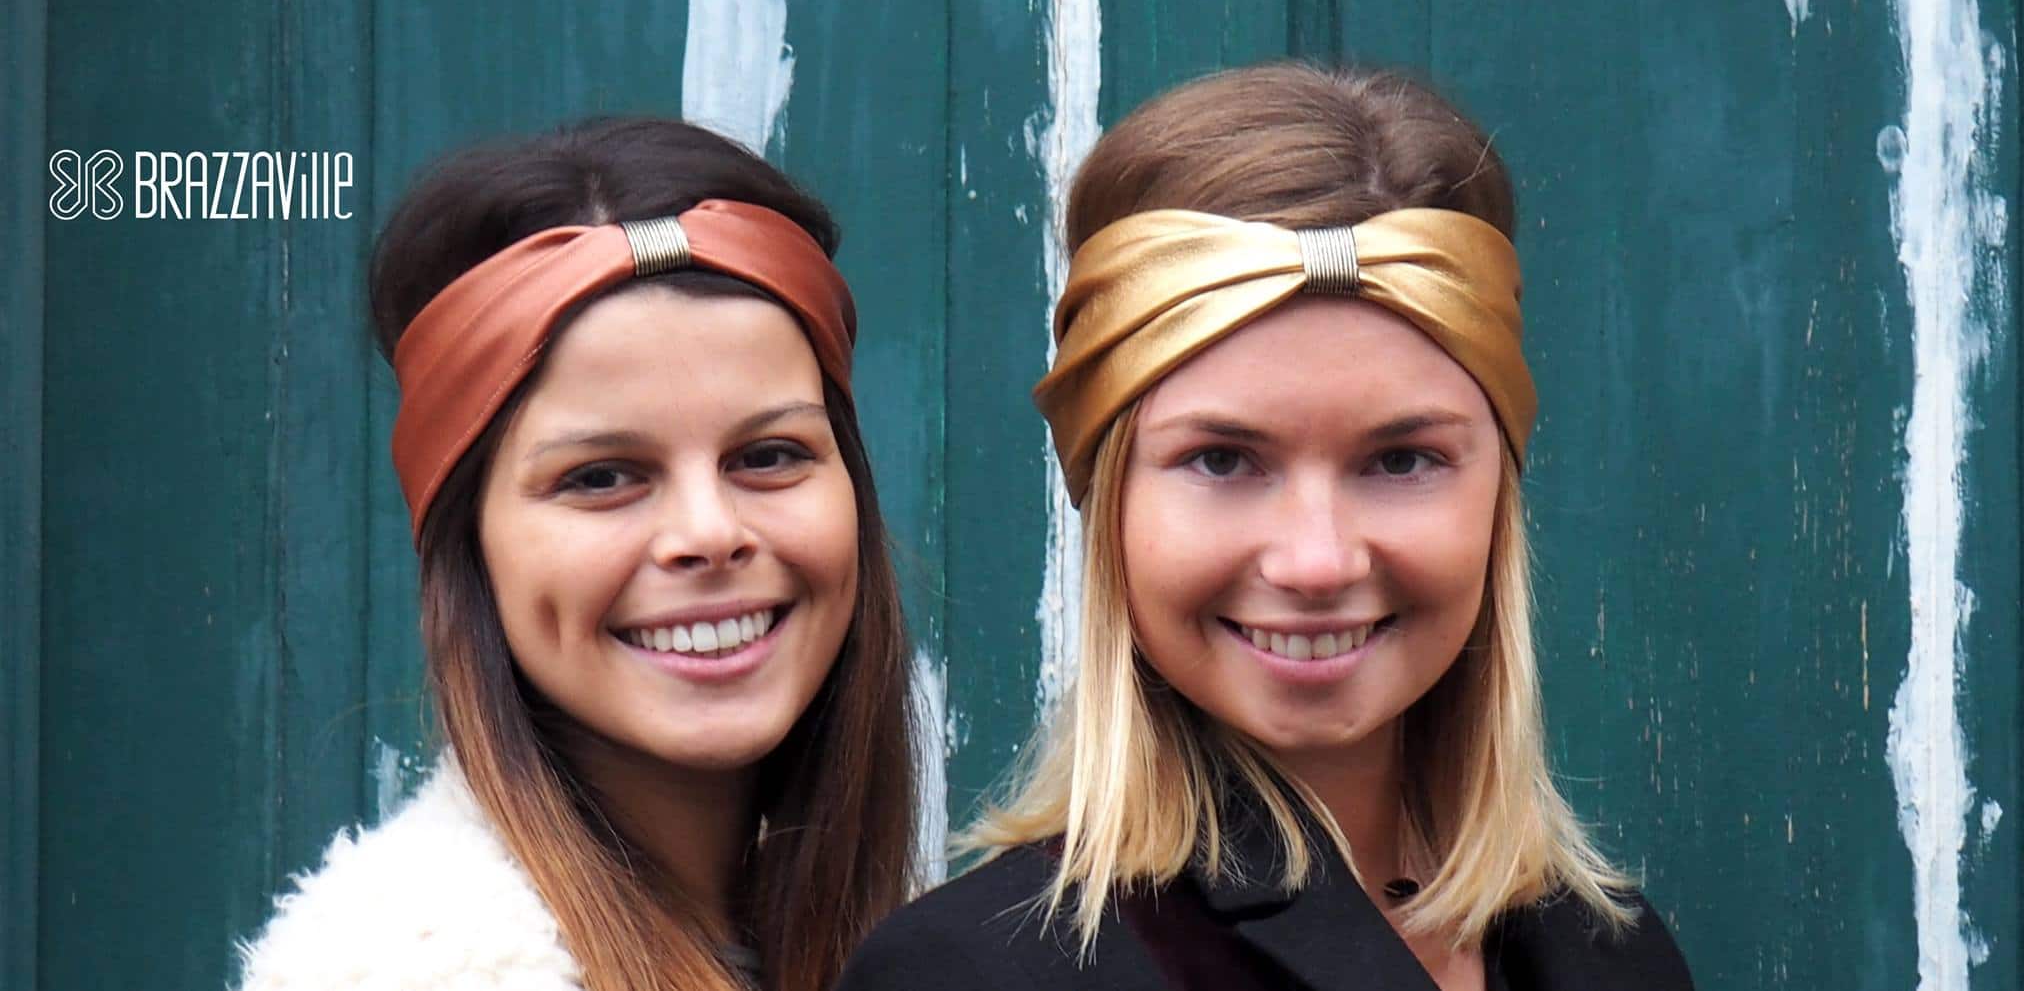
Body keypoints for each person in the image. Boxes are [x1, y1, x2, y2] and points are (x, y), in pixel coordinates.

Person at [835, 63, 1693, 990]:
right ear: (1108, 496)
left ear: (1499, 489)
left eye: (1401, 460)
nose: (1317, 561)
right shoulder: (976, 972)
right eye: (1222, 460)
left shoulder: (1614, 955)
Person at [235, 118, 916, 991]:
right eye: (600, 477)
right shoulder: (399, 971)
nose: (709, 532)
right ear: (469, 543)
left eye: (769, 455)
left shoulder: (909, 944)